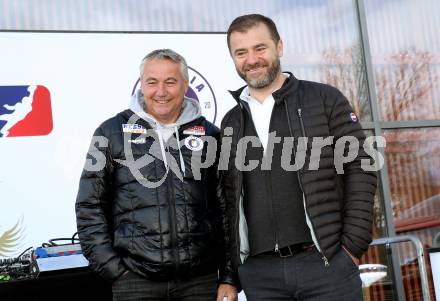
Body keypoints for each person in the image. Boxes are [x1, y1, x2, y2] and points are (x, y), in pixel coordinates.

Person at [218, 14, 378, 300]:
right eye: (241, 52)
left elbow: (361, 167)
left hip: (326, 264)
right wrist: (234, 271)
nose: (252, 59)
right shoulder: (231, 122)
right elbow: (228, 201)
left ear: (279, 47)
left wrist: (352, 245)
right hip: (261, 277)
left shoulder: (324, 99)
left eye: (260, 48)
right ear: (233, 58)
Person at [75, 49, 238, 301]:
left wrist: (228, 276)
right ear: (142, 84)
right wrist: (114, 270)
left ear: (185, 85)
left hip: (200, 282)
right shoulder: (111, 132)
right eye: (152, 82)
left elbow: (228, 209)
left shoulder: (211, 135)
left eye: (170, 82)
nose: (161, 91)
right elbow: (90, 205)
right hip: (135, 282)